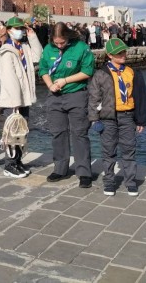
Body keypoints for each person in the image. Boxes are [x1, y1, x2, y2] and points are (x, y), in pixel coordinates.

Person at [88, 38, 146, 196]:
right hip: (107, 118)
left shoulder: (132, 72)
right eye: (118, 53)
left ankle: (131, 182)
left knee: (129, 150)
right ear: (109, 55)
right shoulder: (100, 74)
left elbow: (141, 97)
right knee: (108, 151)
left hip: (128, 117)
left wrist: (141, 120)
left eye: (124, 52)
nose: (123, 55)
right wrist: (94, 119)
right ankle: (109, 182)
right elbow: (93, 98)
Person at [39, 21, 95, 188]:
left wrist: (65, 80)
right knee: (58, 133)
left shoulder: (81, 48)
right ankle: (60, 168)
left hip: (76, 94)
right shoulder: (48, 49)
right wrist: (50, 85)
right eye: (56, 43)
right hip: (54, 96)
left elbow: (87, 71)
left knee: (79, 133)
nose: (59, 45)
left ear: (68, 37)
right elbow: (43, 69)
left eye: (62, 42)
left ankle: (84, 172)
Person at [0, 17, 43, 178]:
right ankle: (9, 165)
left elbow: (38, 56)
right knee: (12, 132)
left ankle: (17, 161)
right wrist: (15, 103)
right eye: (17, 28)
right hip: (13, 100)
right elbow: (10, 79)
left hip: (25, 98)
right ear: (9, 30)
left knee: (21, 132)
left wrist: (32, 36)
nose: (20, 31)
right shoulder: (6, 52)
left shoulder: (24, 47)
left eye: (22, 29)